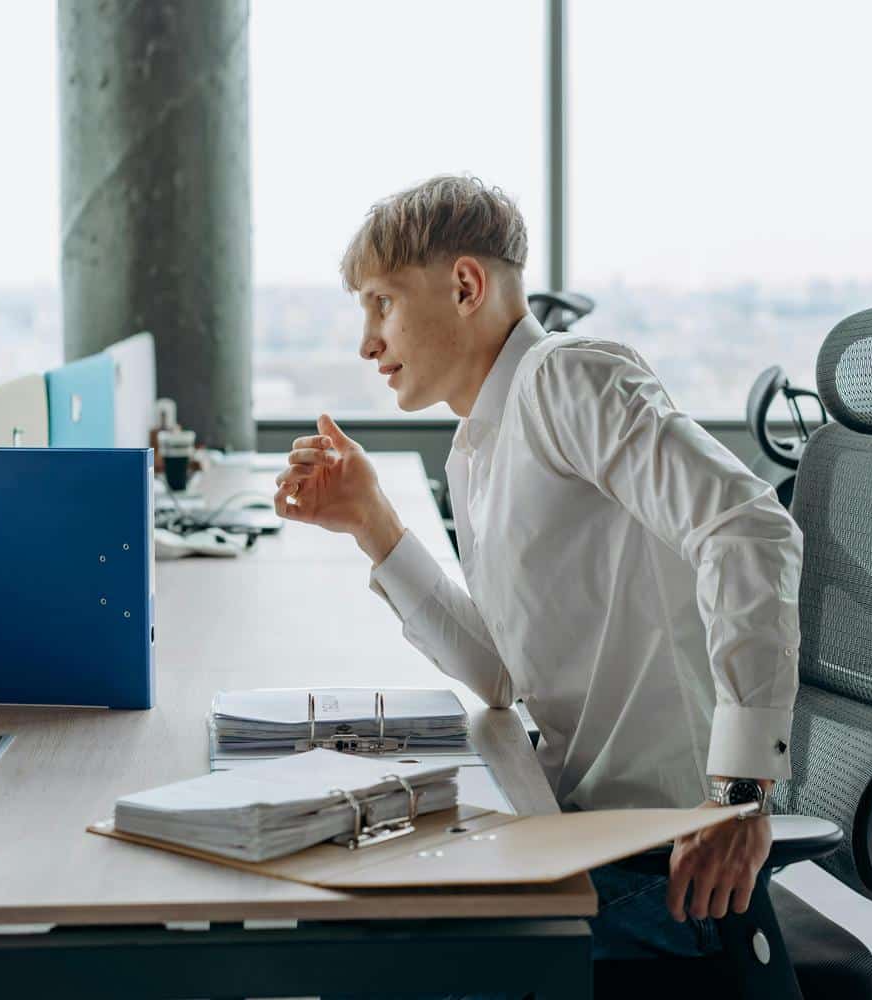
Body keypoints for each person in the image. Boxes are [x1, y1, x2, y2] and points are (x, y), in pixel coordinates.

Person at [274, 175, 802, 964]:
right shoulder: (477, 449)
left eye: (382, 303)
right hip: (576, 826)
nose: (367, 343)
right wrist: (373, 525)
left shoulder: (565, 377)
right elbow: (497, 676)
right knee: (347, 903)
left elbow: (750, 528)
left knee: (370, 956)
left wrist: (739, 797)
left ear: (464, 286)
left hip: (667, 862)